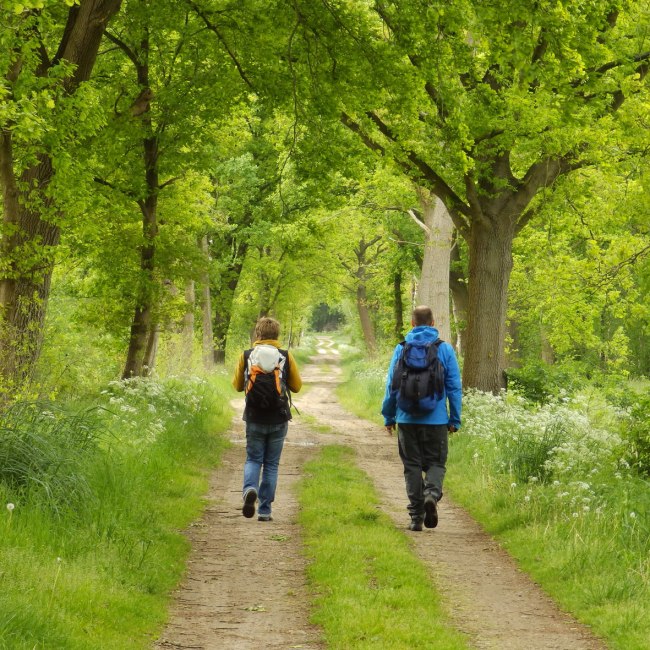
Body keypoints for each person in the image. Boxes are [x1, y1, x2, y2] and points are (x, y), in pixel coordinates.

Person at [381, 305, 462, 531]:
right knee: (436, 462)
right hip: (436, 420)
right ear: (433, 323)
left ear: (412, 324)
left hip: (406, 420)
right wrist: (454, 419)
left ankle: (416, 518)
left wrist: (389, 416)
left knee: (412, 467)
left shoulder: (402, 348)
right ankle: (431, 494)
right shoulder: (444, 349)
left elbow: (391, 386)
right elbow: (454, 387)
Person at [232, 316, 302, 522]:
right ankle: (264, 510)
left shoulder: (246, 355)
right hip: (278, 418)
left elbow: (237, 385)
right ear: (277, 335)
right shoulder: (285, 356)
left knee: (253, 459)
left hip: (254, 416)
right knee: (271, 464)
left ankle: (249, 489)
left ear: (257, 334)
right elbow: (297, 387)